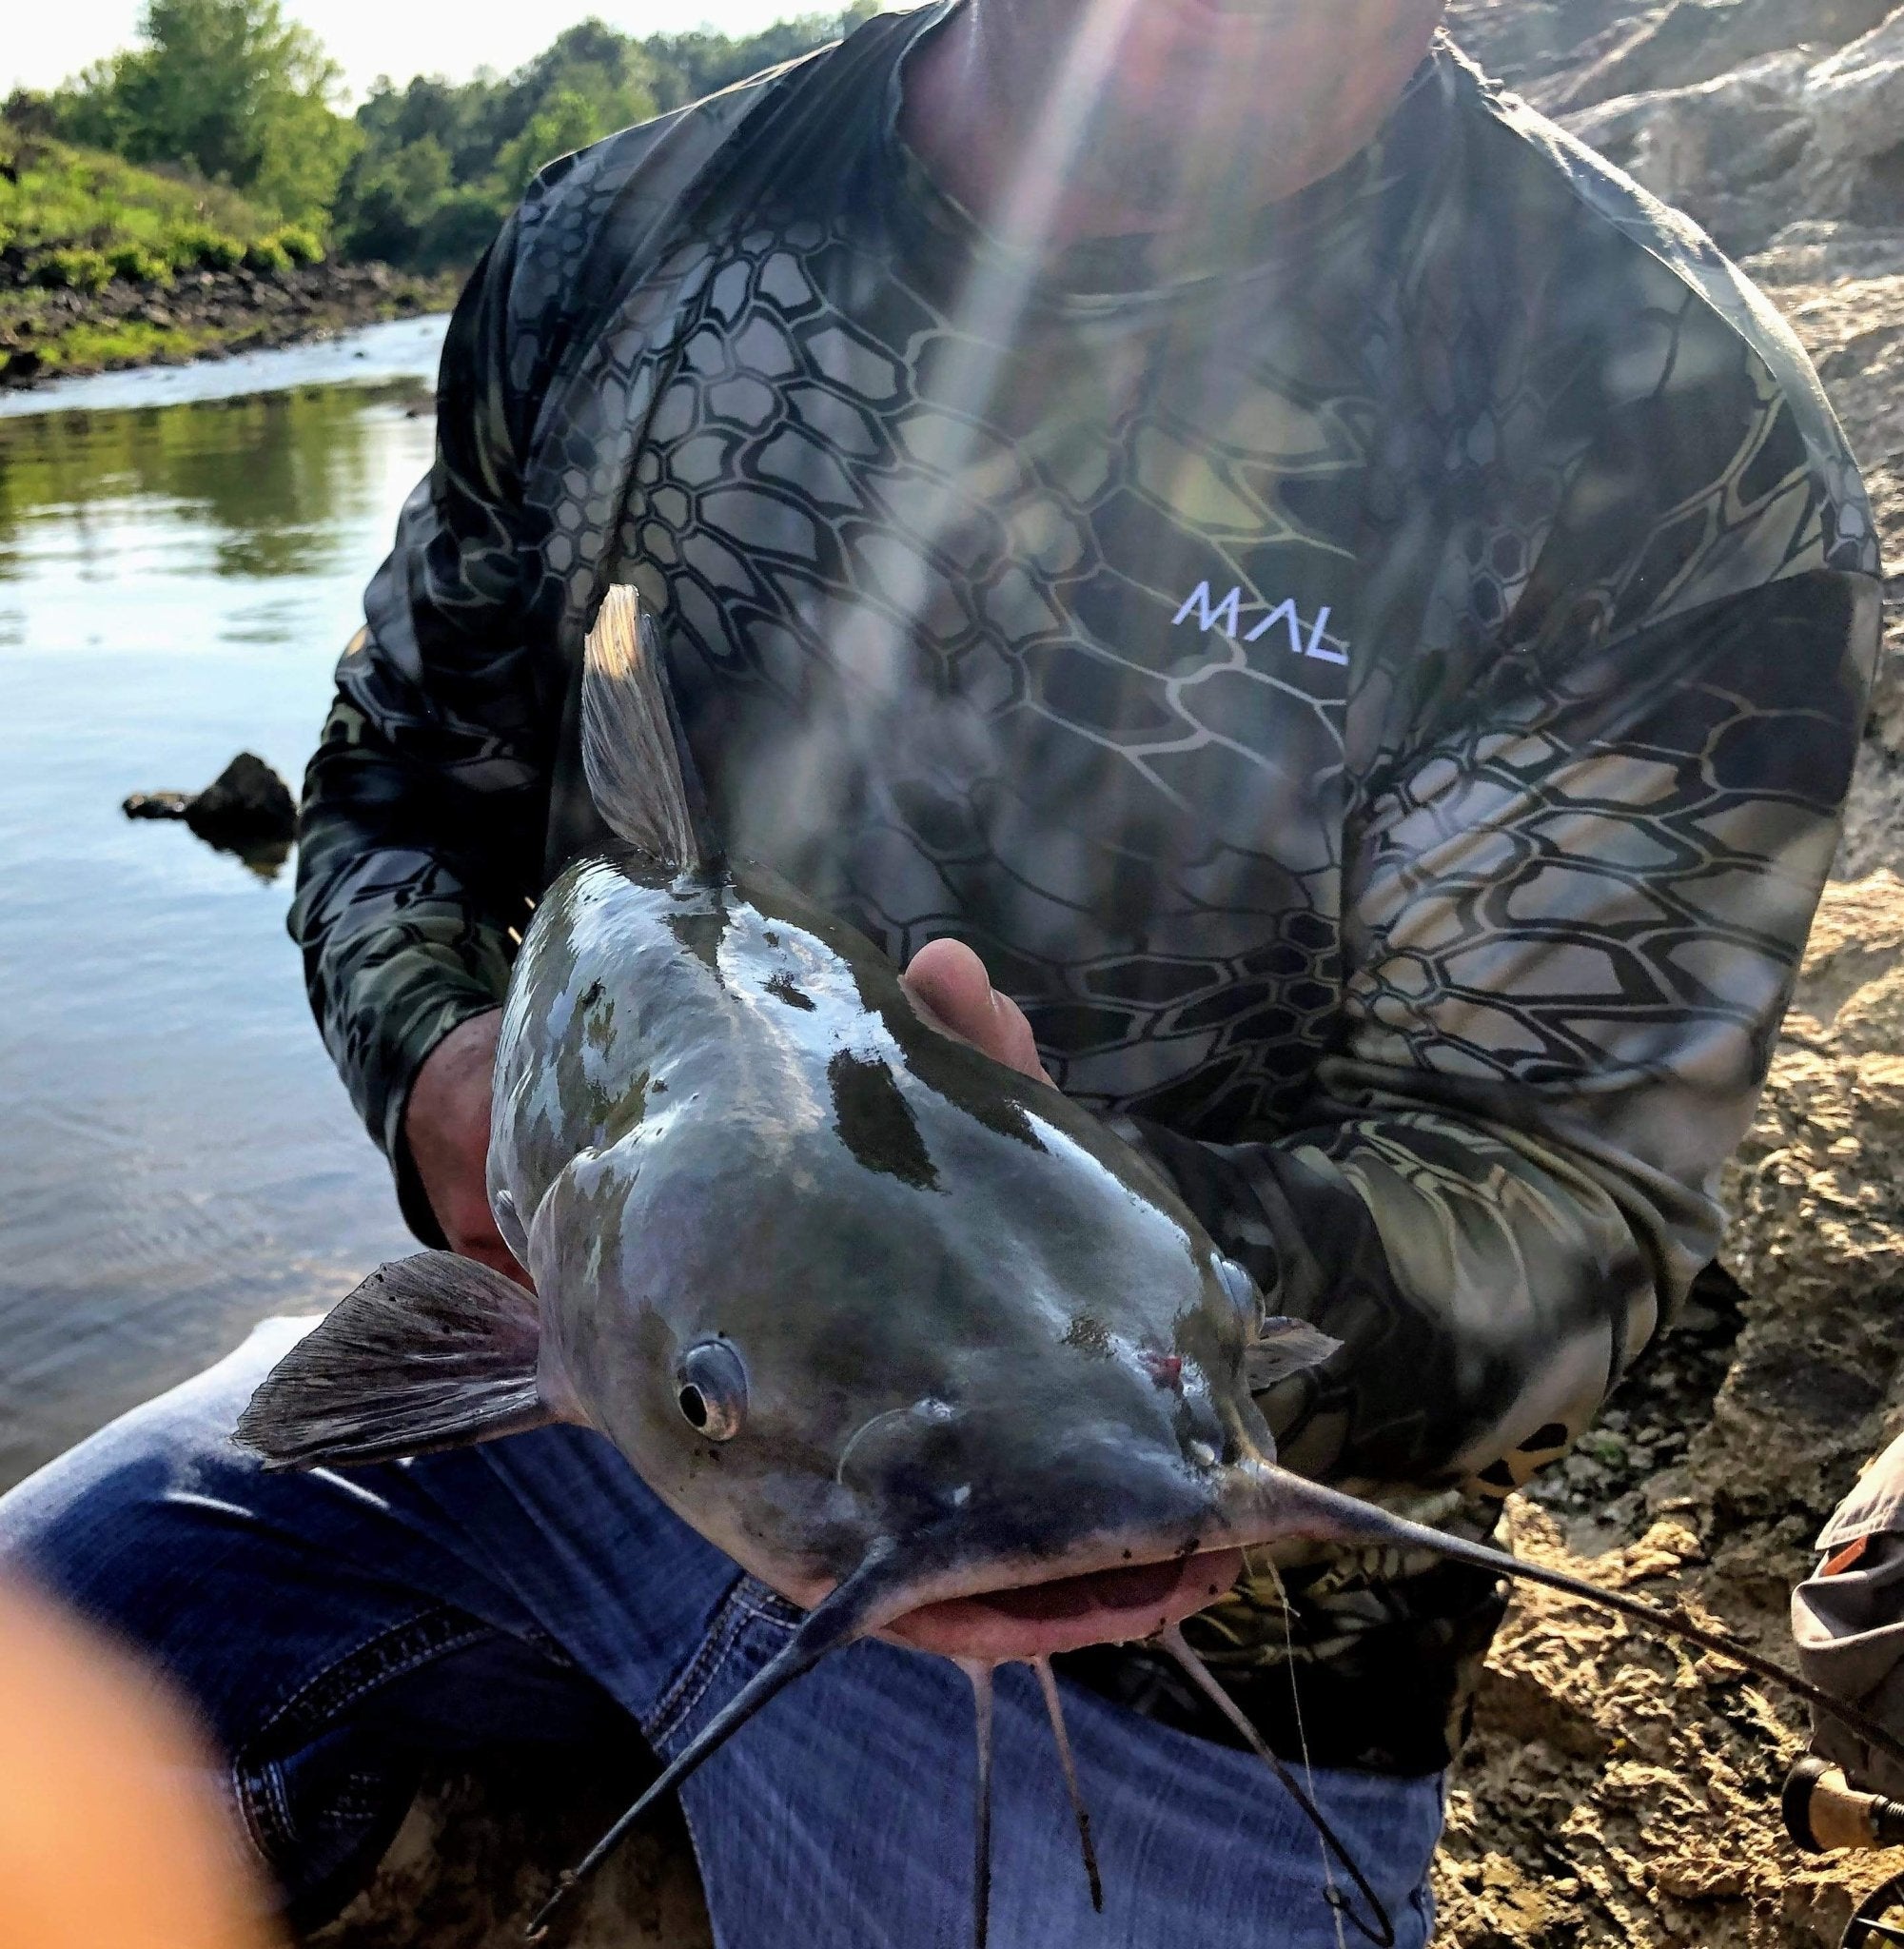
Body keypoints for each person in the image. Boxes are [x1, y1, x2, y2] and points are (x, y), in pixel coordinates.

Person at [0, 0, 1879, 1939]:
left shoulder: (1658, 431)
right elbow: (393, 789)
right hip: (591, 1399)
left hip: (1195, 1639)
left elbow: (1571, 1191)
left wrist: (1137, 1294)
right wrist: (444, 1081)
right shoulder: (609, 241)